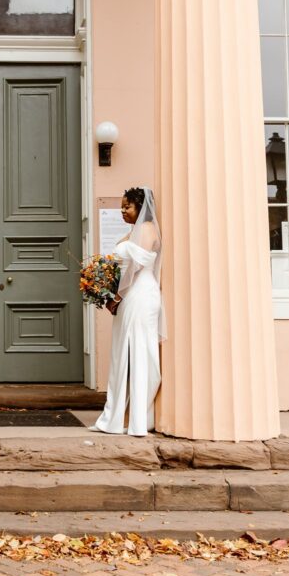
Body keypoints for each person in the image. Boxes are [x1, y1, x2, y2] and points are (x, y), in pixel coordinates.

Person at [90, 186, 167, 437]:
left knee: (138, 352)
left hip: (140, 296)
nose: (123, 210)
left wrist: (117, 296)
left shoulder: (145, 229)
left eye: (127, 206)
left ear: (141, 207)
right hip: (132, 295)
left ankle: (138, 419)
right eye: (122, 206)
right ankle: (121, 416)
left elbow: (134, 267)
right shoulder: (135, 231)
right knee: (124, 353)